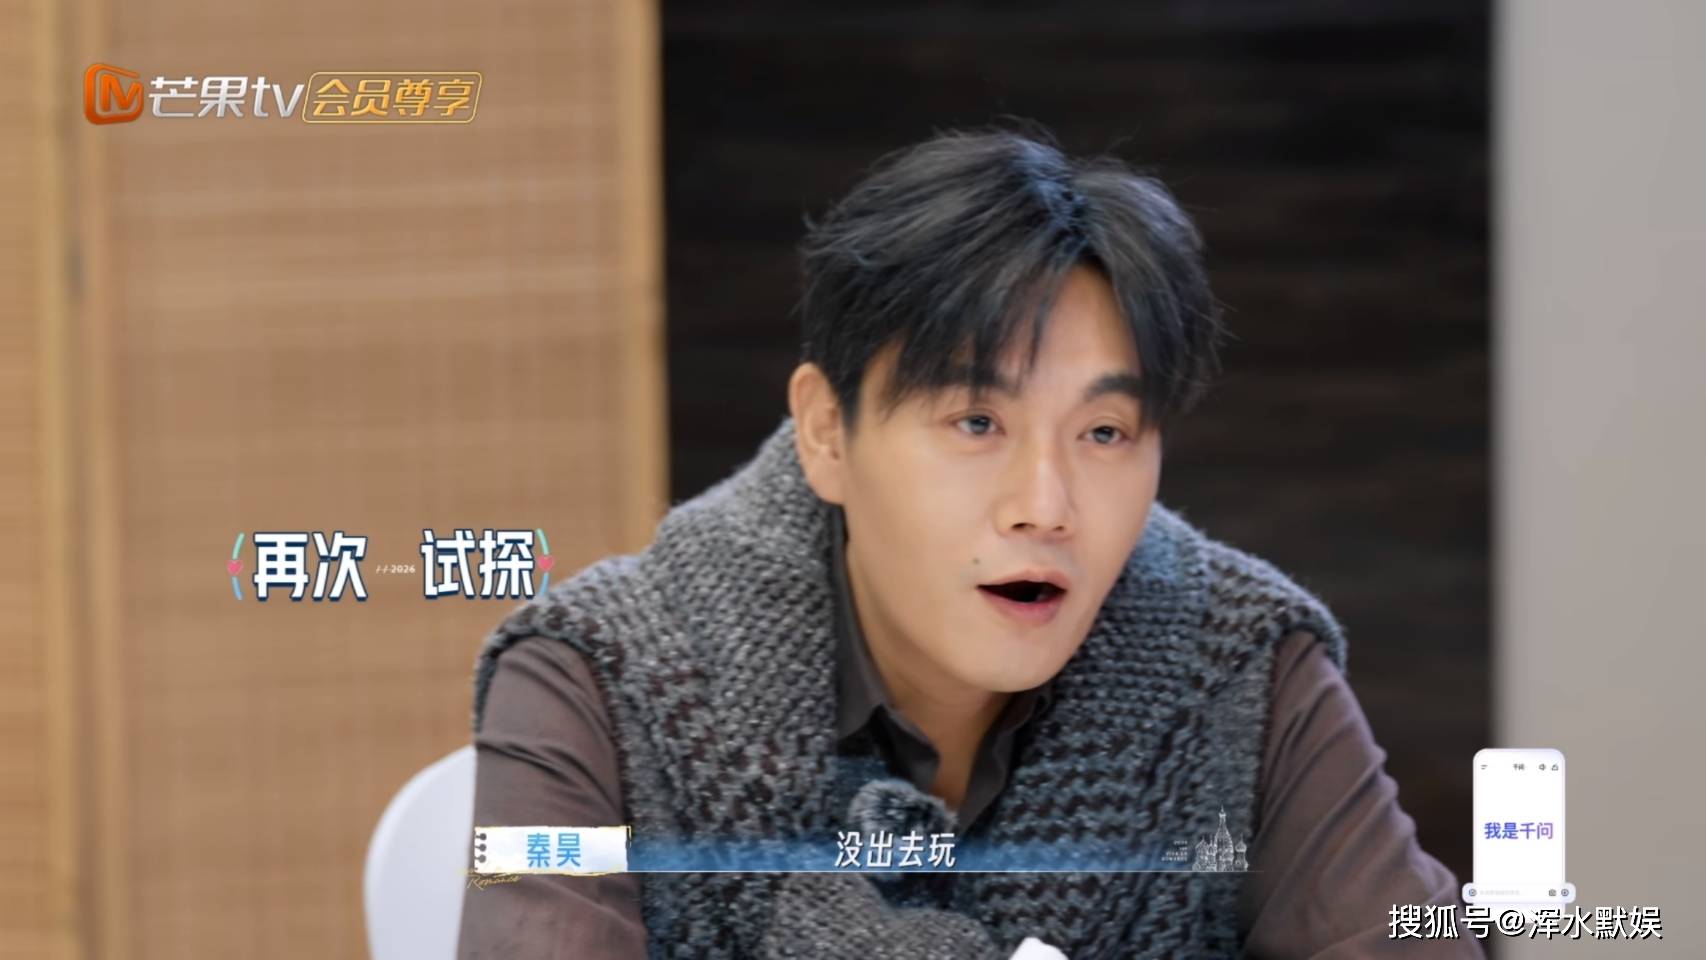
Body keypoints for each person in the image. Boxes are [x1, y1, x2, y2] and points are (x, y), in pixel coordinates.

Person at [458, 127, 1477, 958]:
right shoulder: (593, 678)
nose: (1045, 506)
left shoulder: (1244, 663)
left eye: (1104, 433)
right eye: (976, 423)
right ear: (827, 433)